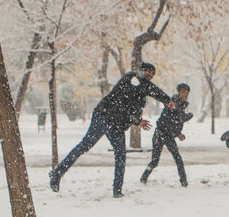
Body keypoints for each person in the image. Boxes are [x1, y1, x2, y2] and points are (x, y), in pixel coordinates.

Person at [50, 62, 173, 197]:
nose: (150, 75)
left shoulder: (145, 86)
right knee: (85, 146)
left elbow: (157, 92)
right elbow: (120, 105)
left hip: (117, 125)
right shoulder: (130, 79)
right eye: (147, 71)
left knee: (121, 155)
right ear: (140, 71)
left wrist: (167, 100)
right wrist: (137, 121)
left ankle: (117, 190)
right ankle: (57, 173)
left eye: (152, 73)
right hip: (103, 116)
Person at [141, 83, 193, 187]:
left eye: (186, 92)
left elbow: (176, 121)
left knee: (178, 158)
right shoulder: (172, 102)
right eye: (182, 92)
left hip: (169, 135)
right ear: (178, 92)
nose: (185, 94)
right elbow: (174, 118)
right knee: (155, 161)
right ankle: (144, 177)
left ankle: (184, 181)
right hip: (160, 134)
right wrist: (187, 116)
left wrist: (178, 134)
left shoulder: (182, 105)